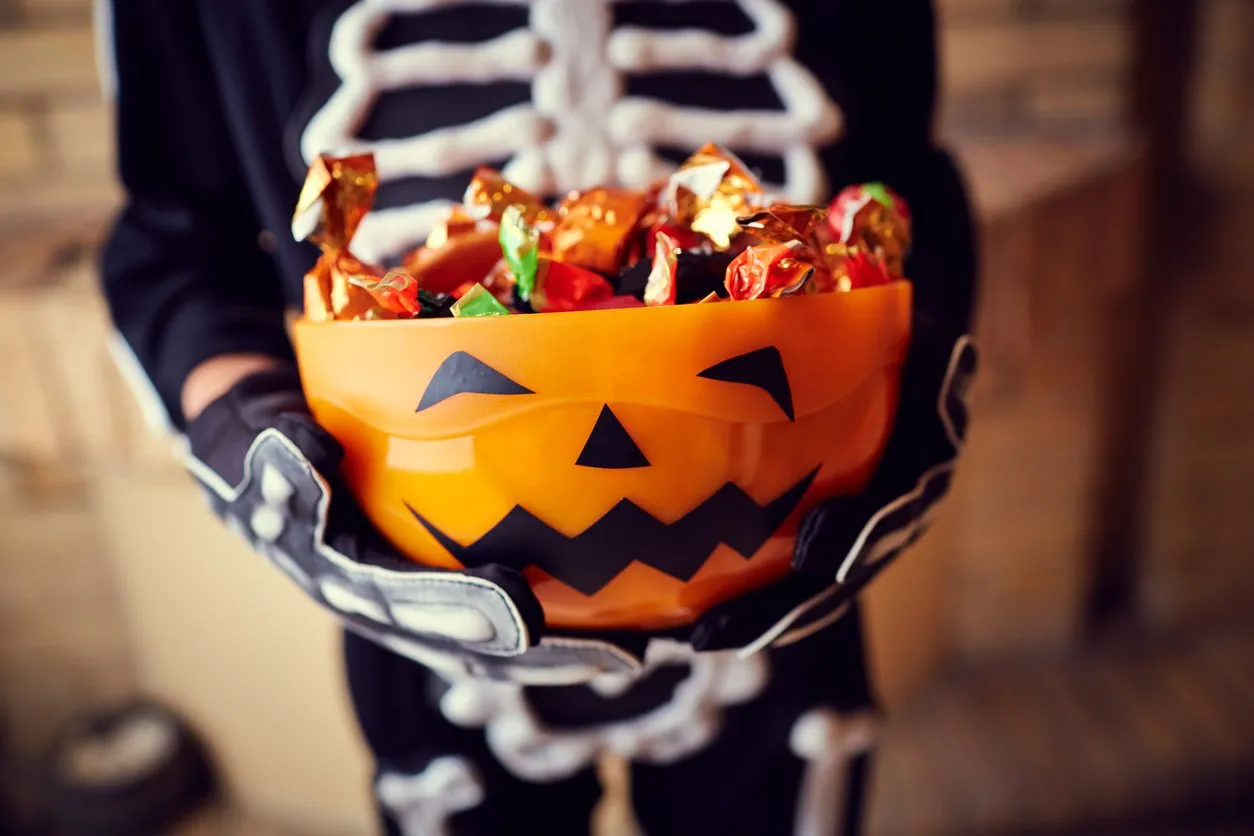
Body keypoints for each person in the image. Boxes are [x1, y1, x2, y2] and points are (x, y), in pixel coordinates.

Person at [98, 1, 977, 834]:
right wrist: (252, 441)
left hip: (791, 561)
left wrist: (912, 389)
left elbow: (906, 179)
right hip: (425, 604)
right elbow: (176, 248)